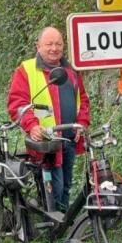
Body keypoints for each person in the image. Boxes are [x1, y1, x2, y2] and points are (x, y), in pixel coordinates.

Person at [7, 27, 90, 212]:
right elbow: (17, 103)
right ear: (38, 46)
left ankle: (63, 224)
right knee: (54, 189)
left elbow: (83, 100)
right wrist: (32, 126)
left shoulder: (71, 71)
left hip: (69, 139)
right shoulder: (26, 69)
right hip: (46, 144)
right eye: (49, 44)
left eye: (58, 44)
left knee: (66, 185)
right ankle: (52, 226)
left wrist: (81, 124)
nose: (54, 48)